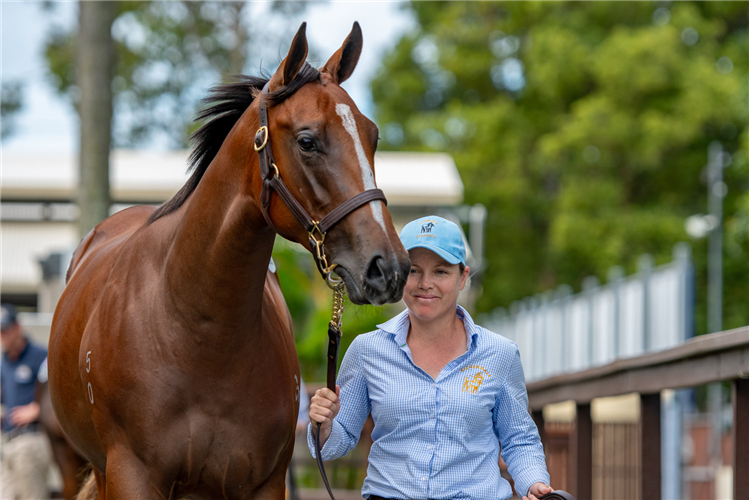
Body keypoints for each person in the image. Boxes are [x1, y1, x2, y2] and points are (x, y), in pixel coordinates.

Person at [308, 216, 552, 500]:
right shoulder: (366, 351)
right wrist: (323, 426)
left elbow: (519, 440)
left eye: (440, 272)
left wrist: (534, 482)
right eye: (413, 270)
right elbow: (338, 441)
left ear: (463, 278)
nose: (425, 283)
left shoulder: (500, 354)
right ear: (399, 276)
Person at [0, 303, 51, 500]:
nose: (2, 336)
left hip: (32, 439)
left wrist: (37, 409)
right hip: (7, 442)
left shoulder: (41, 356)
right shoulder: (4, 362)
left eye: (5, 330)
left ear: (18, 327)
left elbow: (60, 393)